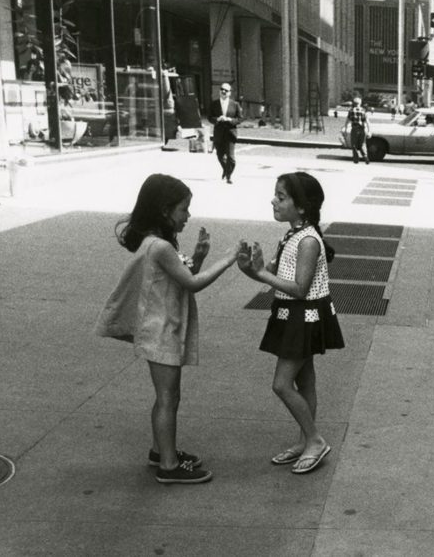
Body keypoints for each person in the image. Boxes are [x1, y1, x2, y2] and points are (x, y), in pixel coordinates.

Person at [94, 174, 239, 485]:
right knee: (167, 397)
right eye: (184, 209)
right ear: (164, 210)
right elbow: (192, 283)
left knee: (168, 397)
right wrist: (227, 260)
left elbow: (184, 274)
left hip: (163, 328)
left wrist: (199, 256)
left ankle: (161, 451)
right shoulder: (159, 246)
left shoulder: (160, 245)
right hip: (160, 331)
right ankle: (169, 466)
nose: (188, 216)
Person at [236, 172, 345, 475]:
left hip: (303, 316)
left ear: (302, 207)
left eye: (281, 196)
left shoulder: (307, 240)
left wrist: (260, 272)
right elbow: (269, 276)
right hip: (295, 315)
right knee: (305, 381)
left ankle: (314, 440)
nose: (274, 200)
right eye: (276, 194)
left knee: (282, 384)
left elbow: (299, 287)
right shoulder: (293, 234)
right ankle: (304, 440)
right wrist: (251, 269)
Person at [208, 82, 243, 183]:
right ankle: (226, 170)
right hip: (219, 134)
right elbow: (209, 117)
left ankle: (228, 176)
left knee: (231, 158)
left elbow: (240, 118)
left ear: (230, 93)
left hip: (230, 133)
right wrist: (217, 119)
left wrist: (230, 120)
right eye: (222, 89)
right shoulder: (214, 104)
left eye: (226, 90)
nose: (223, 91)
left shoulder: (235, 104)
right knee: (219, 156)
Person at [347, 97, 371, 163]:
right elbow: (367, 122)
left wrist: (346, 127)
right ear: (360, 103)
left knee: (354, 144)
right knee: (362, 144)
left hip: (354, 129)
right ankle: (365, 156)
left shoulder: (351, 111)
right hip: (362, 129)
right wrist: (369, 131)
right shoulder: (364, 111)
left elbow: (348, 120)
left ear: (354, 103)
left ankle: (356, 158)